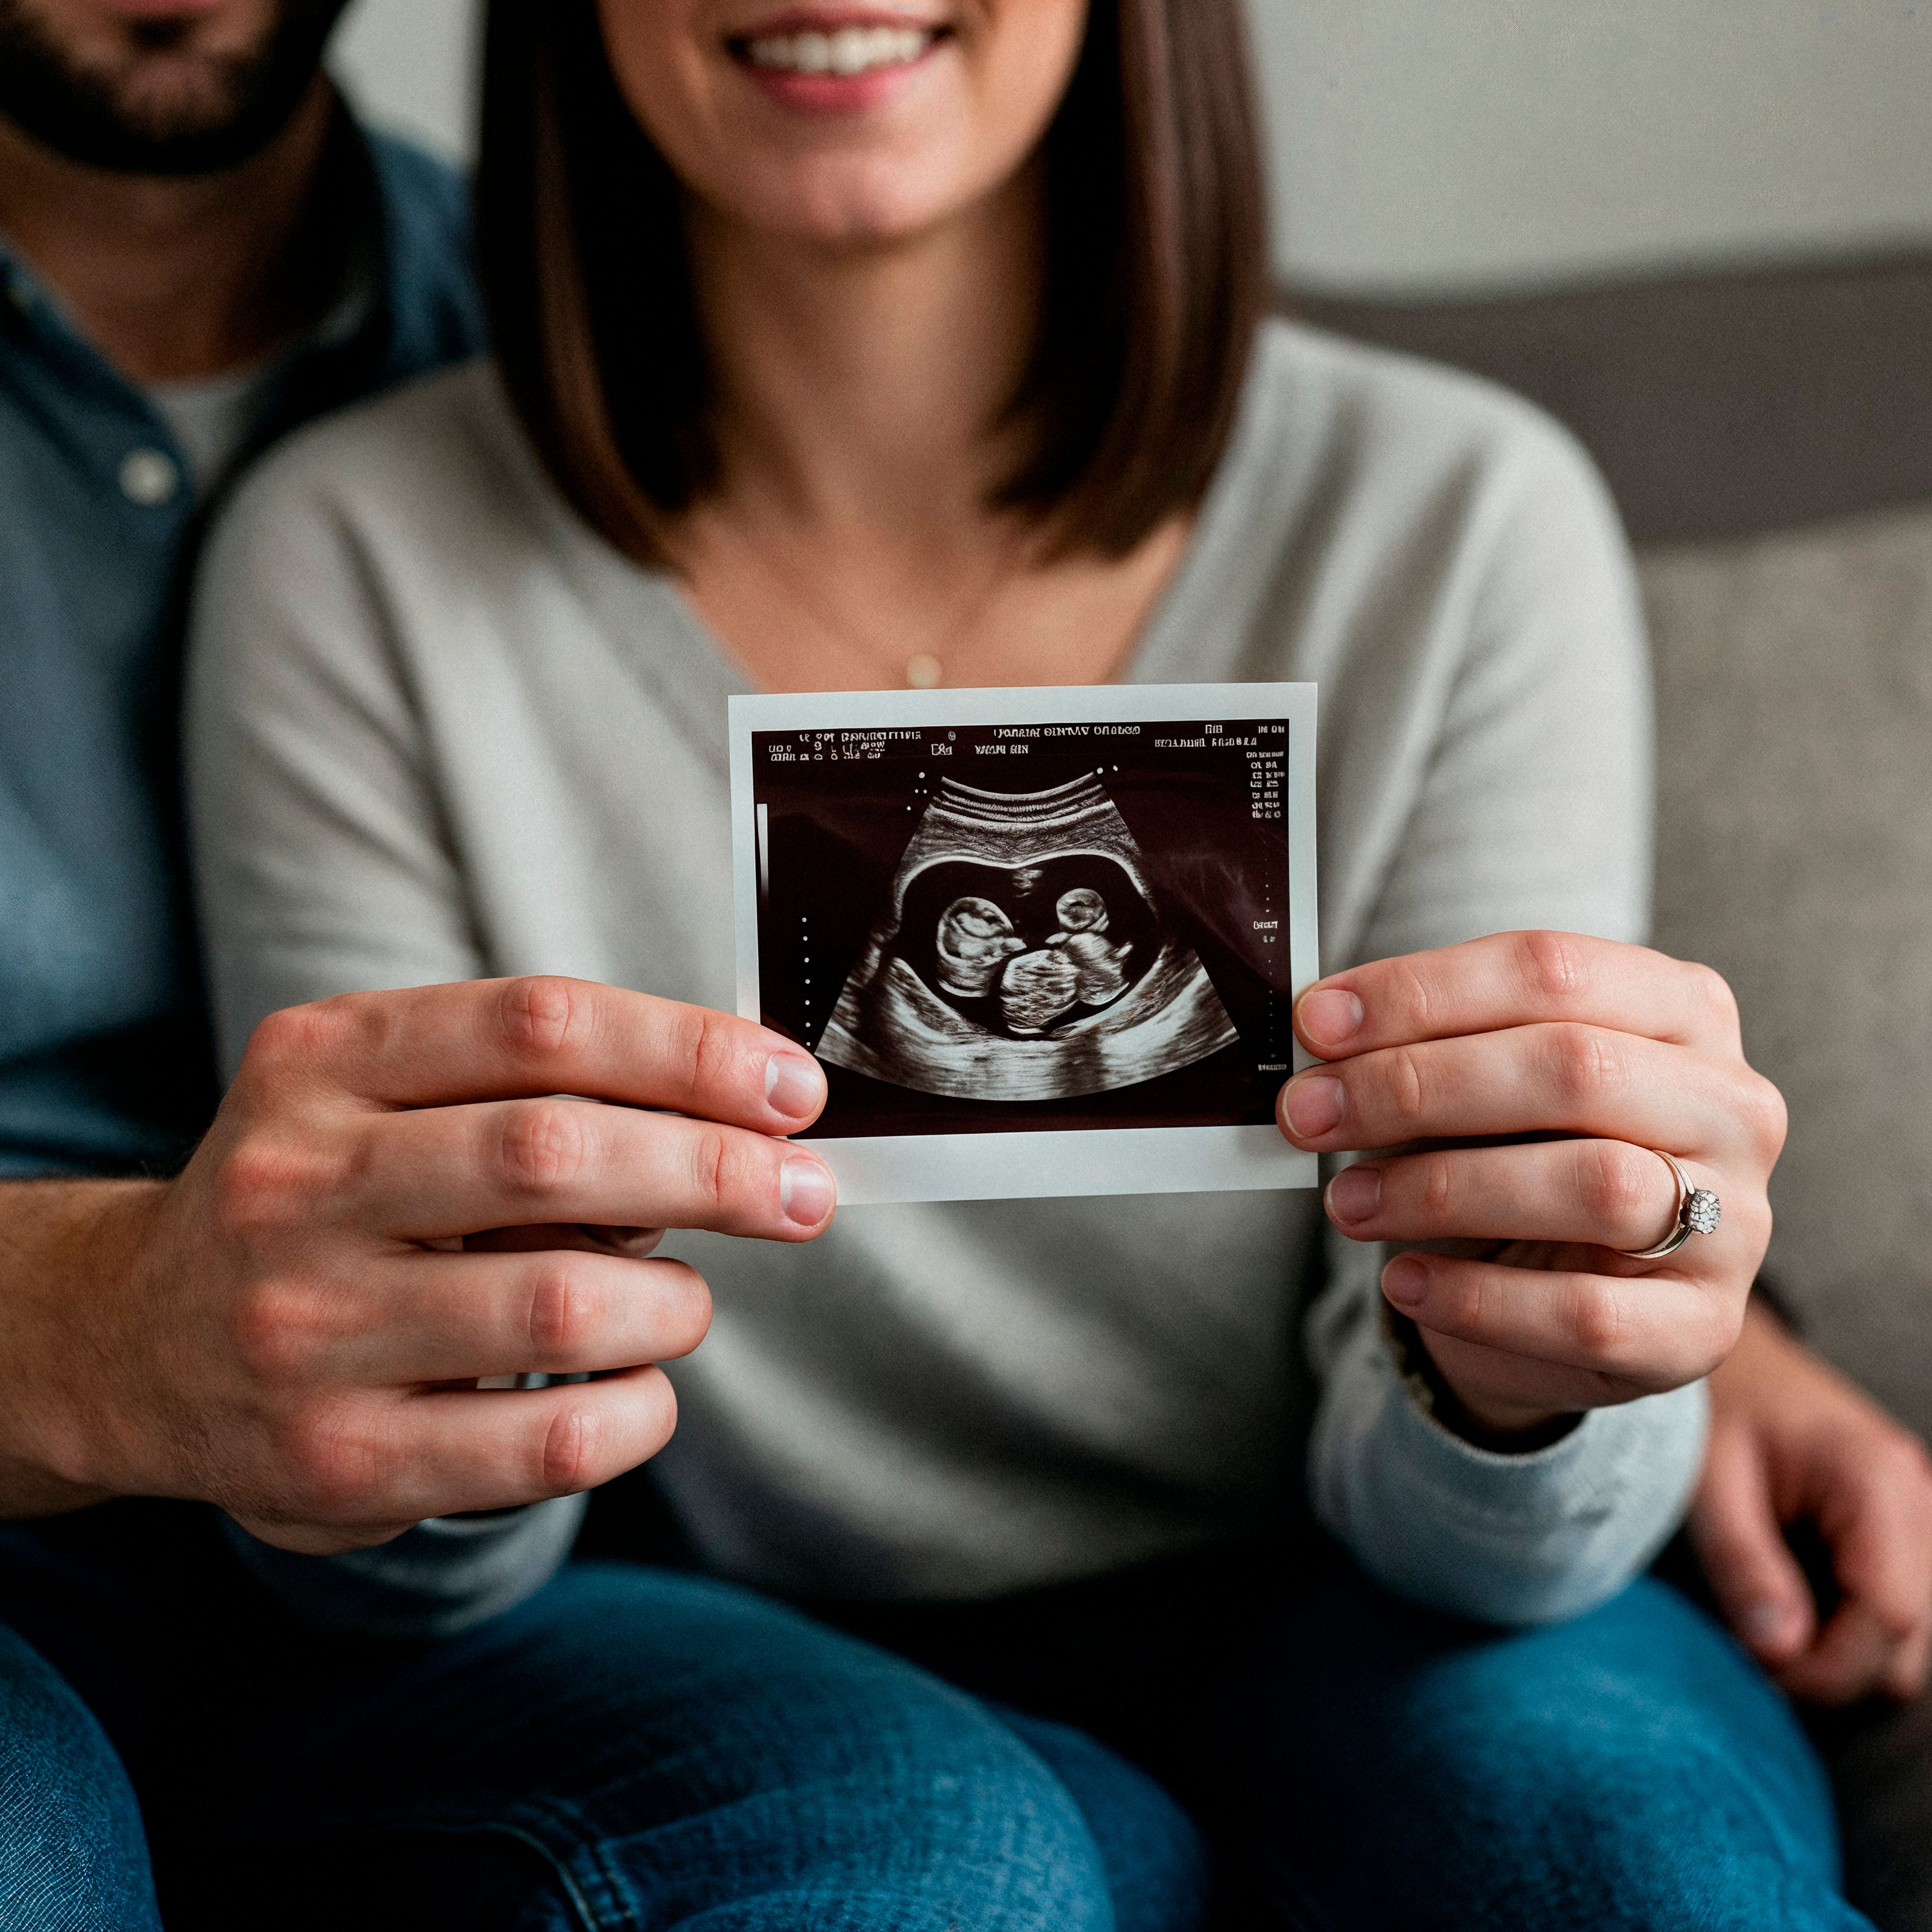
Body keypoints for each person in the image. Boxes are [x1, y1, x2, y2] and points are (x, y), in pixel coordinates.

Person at [0, 1, 1926, 1928]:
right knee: (938, 1861)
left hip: (1354, 1571)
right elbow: (392, 1548)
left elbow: (1488, 1542)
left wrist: (1556, 1346)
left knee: (1628, 1858)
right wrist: (424, 1349)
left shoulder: (1459, 516)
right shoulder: (354, 555)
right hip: (697, 1619)